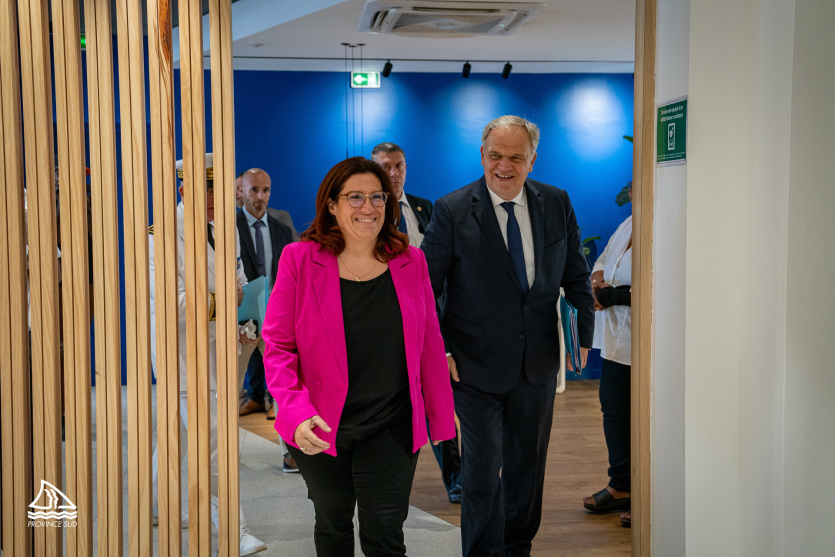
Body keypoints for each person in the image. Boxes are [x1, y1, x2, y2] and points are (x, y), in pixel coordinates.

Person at [261, 157, 456, 556]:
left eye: (377, 197)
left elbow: (429, 342)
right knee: (332, 521)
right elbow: (278, 346)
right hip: (319, 422)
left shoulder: (410, 260)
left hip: (391, 422)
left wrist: (440, 413)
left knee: (385, 533)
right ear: (332, 205)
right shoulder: (300, 259)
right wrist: (295, 412)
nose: (368, 207)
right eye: (355, 197)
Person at [421, 115, 595, 556]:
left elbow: (576, 276)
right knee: (481, 472)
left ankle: (518, 548)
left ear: (532, 160)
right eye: (495, 155)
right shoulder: (451, 210)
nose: (504, 166)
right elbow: (425, 290)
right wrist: (441, 351)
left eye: (516, 157)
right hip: (473, 366)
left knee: (527, 471)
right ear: (482, 155)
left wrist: (582, 337)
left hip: (537, 363)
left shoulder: (556, 202)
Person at [149, 153, 267, 556]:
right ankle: (234, 531)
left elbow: (239, 281)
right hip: (184, 356)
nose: (217, 198)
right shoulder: (161, 235)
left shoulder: (224, 227)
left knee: (180, 436)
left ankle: (157, 502)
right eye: (208, 189)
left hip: (223, 348)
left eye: (220, 189)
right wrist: (223, 301)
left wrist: (246, 317)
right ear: (184, 189)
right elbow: (170, 303)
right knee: (214, 441)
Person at [371, 141, 463, 504]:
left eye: (399, 166)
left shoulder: (427, 208)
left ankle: (456, 478)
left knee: (438, 400)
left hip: (429, 320)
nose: (393, 173)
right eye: (385, 166)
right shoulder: (367, 211)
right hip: (386, 325)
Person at [234, 168, 298, 473]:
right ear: (240, 192)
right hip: (239, 321)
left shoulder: (282, 230)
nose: (261, 196)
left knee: (285, 385)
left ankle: (290, 452)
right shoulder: (226, 227)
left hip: (276, 320)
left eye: (266, 190)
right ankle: (219, 454)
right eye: (254, 190)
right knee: (228, 387)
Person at [582, 186, 633, 527]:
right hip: (616, 341)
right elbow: (603, 260)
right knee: (613, 410)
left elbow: (659, 282)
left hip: (647, 341)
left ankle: (649, 493)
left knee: (643, 419)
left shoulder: (665, 225)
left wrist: (610, 296)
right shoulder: (628, 223)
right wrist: (597, 280)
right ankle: (621, 485)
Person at [237, 171, 299, 241]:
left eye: (239, 188)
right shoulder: (233, 222)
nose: (236, 193)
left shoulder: (279, 217)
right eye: (235, 188)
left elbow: (295, 244)